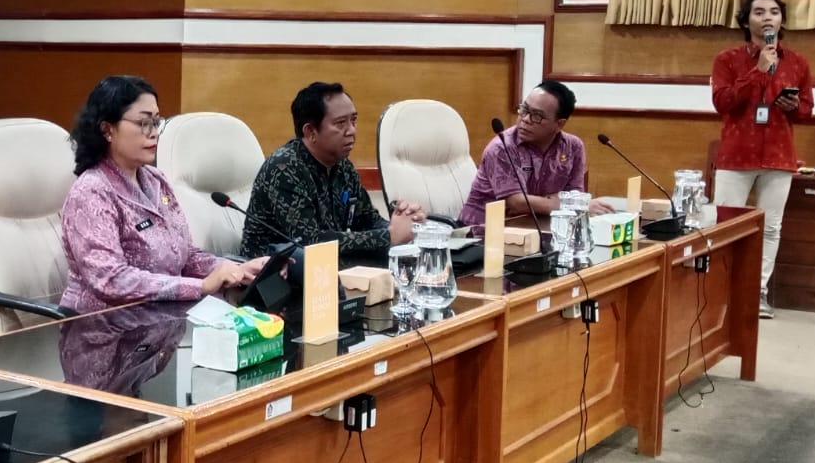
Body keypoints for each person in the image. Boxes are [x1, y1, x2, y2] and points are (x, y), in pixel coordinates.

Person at [60, 75, 272, 315]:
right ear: (107, 129)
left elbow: (187, 257)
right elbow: (111, 280)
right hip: (104, 326)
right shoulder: (92, 192)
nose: (154, 133)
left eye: (156, 122)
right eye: (144, 123)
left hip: (161, 319)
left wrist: (235, 269)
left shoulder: (156, 180)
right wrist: (200, 286)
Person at [712, 0, 814, 319]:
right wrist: (758, 70)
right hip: (736, 155)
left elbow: (807, 111)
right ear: (746, 21)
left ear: (781, 20)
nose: (767, 17)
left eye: (774, 12)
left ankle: (756, 293)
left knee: (770, 228)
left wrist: (793, 105)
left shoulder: (797, 62)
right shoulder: (727, 59)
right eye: (758, 12)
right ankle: (721, 290)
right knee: (725, 225)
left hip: (779, 155)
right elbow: (722, 102)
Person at [242, 82, 425, 263]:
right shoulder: (284, 168)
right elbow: (309, 242)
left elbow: (367, 219)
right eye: (340, 123)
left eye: (353, 120)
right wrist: (389, 236)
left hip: (326, 267)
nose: (352, 130)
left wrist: (401, 226)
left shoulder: (344, 167)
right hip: (271, 273)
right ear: (311, 132)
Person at [460, 79, 612, 226]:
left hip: (538, 226)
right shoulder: (502, 147)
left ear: (559, 124)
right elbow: (517, 203)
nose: (525, 119)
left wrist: (542, 204)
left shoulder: (573, 147)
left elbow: (575, 195)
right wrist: (564, 204)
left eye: (537, 116)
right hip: (484, 231)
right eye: (524, 110)